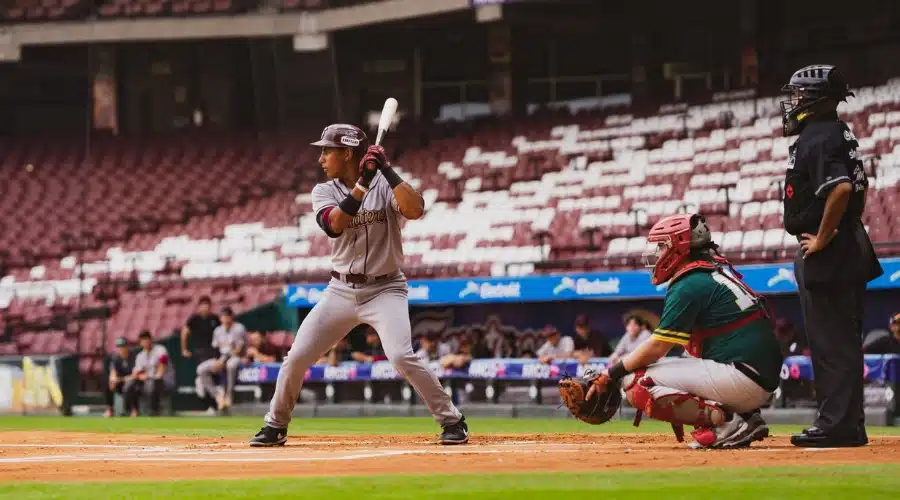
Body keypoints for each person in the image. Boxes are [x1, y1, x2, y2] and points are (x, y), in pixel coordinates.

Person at [249, 124, 468, 447]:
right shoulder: (323, 191)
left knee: (400, 356)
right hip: (340, 290)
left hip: (386, 288)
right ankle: (276, 424)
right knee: (296, 357)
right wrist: (363, 182)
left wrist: (387, 171)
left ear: (347, 153)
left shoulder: (385, 183)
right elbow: (334, 225)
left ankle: (452, 420)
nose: (322, 157)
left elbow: (415, 209)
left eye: (328, 151)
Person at [591, 213, 783, 449]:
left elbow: (658, 347)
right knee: (689, 352)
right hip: (756, 375)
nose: (657, 253)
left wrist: (611, 373)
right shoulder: (714, 271)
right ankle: (746, 415)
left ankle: (730, 422)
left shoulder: (689, 283)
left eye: (662, 246)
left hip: (743, 377)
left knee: (634, 380)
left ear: (678, 246)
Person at [780, 65, 883, 447]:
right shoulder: (836, 131)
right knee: (840, 341)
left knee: (831, 343)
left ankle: (837, 426)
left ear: (813, 99)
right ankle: (847, 423)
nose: (791, 103)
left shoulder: (819, 135)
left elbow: (840, 189)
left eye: (796, 95)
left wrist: (823, 238)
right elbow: (861, 185)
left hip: (830, 253)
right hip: (846, 245)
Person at [196, 307, 247, 413]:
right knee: (201, 369)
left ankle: (229, 394)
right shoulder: (218, 330)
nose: (226, 319)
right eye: (223, 317)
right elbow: (215, 348)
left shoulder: (239, 328)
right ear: (220, 318)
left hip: (237, 357)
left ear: (232, 317)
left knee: (231, 365)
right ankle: (218, 396)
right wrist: (216, 361)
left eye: (228, 316)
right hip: (221, 358)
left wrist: (222, 361)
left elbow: (239, 350)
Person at [124, 330, 175, 416]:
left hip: (165, 380)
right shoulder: (140, 356)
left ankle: (153, 412)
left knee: (154, 382)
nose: (145, 342)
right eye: (142, 340)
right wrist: (141, 376)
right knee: (130, 385)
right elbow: (136, 373)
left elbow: (161, 370)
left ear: (151, 340)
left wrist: (149, 377)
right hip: (148, 381)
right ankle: (131, 411)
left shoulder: (161, 350)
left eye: (146, 339)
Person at [181, 296, 220, 362]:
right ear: (199, 306)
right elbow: (184, 333)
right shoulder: (194, 319)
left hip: (214, 349)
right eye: (203, 305)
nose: (205, 307)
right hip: (200, 351)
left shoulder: (215, 318)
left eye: (207, 305)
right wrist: (184, 349)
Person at [104, 337, 134, 417]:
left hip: (132, 381)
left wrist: (121, 379)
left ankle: (131, 410)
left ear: (127, 346)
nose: (121, 348)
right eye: (119, 346)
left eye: (123, 346)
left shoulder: (133, 356)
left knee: (130, 386)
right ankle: (110, 409)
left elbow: (135, 374)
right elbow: (113, 372)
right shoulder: (116, 358)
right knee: (108, 384)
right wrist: (112, 380)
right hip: (120, 382)